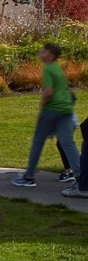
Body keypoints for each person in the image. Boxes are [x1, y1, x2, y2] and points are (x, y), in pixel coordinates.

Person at [12, 43, 83, 193]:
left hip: (52, 110)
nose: (40, 53)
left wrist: (42, 106)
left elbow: (48, 92)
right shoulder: (57, 68)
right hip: (66, 110)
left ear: (50, 56)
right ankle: (81, 178)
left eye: (43, 52)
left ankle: (29, 177)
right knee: (67, 143)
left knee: (38, 142)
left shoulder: (48, 69)